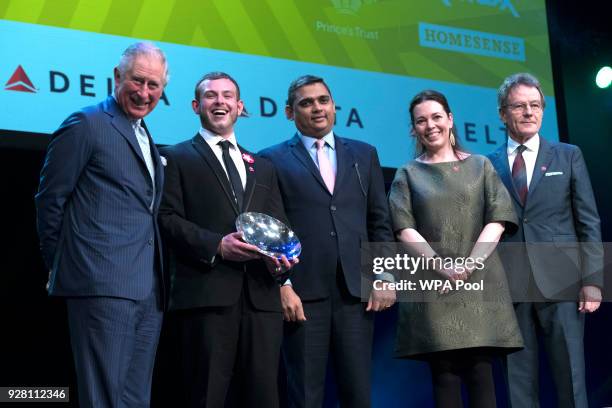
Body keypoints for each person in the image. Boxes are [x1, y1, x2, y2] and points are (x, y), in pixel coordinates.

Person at [35, 42, 168, 407]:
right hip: (100, 284)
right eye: (137, 81)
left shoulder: (146, 135)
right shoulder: (86, 124)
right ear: (116, 77)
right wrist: (60, 263)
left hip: (147, 289)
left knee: (135, 399)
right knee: (103, 399)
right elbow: (50, 200)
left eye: (153, 85)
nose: (144, 93)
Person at [158, 72, 296, 408]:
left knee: (264, 397)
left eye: (227, 95)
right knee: (206, 396)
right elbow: (165, 219)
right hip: (207, 296)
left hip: (261, 299)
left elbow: (278, 225)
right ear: (196, 105)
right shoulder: (176, 156)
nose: (220, 101)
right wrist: (218, 246)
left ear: (240, 106)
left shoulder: (262, 166)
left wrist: (284, 258)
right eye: (211, 96)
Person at [259, 75, 395, 408]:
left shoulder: (364, 154)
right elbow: (272, 231)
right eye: (307, 102)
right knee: (304, 394)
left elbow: (379, 221)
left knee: (358, 394)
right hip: (303, 296)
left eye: (323, 100)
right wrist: (283, 284)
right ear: (290, 112)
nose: (317, 108)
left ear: (334, 106)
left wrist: (386, 275)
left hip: (356, 293)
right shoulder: (270, 160)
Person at [388, 90, 523, 408]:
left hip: (480, 283)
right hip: (434, 286)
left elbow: (498, 219)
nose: (430, 125)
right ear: (413, 129)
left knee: (481, 373)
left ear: (450, 119)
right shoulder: (407, 173)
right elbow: (404, 228)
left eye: (436, 117)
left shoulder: (481, 166)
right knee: (444, 376)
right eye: (421, 121)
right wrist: (442, 267)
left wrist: (469, 265)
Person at [488, 73, 603, 408]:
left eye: (535, 105)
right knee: (518, 382)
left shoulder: (568, 156)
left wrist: (594, 281)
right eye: (519, 106)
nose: (528, 112)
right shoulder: (487, 165)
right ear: (502, 113)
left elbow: (588, 221)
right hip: (510, 287)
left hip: (563, 283)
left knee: (570, 376)